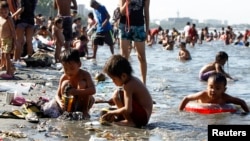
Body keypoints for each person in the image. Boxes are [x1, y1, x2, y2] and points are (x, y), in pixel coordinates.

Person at [101, 54, 153, 128]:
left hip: (143, 117)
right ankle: (126, 118)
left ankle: (130, 121)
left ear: (123, 76)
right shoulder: (132, 80)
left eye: (114, 79)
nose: (113, 81)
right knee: (116, 95)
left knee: (117, 94)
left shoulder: (129, 85)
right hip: (143, 114)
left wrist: (112, 112)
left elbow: (128, 109)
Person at [55, 48, 96, 118]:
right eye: (65, 69)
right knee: (65, 83)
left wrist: (76, 92)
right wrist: (60, 102)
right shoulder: (64, 77)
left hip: (84, 101)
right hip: (70, 102)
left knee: (82, 83)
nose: (69, 72)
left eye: (72, 68)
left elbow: (93, 90)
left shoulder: (85, 75)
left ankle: (84, 111)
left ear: (79, 64)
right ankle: (67, 111)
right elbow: (57, 95)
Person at [179, 73, 249, 113]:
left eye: (217, 88)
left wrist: (247, 114)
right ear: (207, 87)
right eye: (211, 87)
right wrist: (180, 111)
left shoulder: (225, 97)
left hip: (221, 108)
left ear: (224, 90)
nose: (213, 90)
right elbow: (186, 98)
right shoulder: (202, 95)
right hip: (201, 107)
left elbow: (241, 102)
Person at [119, 0, 150, 84]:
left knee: (142, 56)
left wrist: (147, 29)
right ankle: (124, 82)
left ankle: (144, 83)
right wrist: (127, 2)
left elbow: (146, 11)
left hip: (139, 25)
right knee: (124, 56)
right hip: (124, 25)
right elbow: (121, 12)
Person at [0, 1, 16, 79]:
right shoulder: (0, 18)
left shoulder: (9, 19)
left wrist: (14, 41)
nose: (3, 14)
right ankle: (4, 67)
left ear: (8, 11)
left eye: (5, 12)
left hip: (9, 39)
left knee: (7, 55)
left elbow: (13, 30)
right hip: (3, 39)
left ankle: (8, 72)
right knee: (3, 55)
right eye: (1, 12)